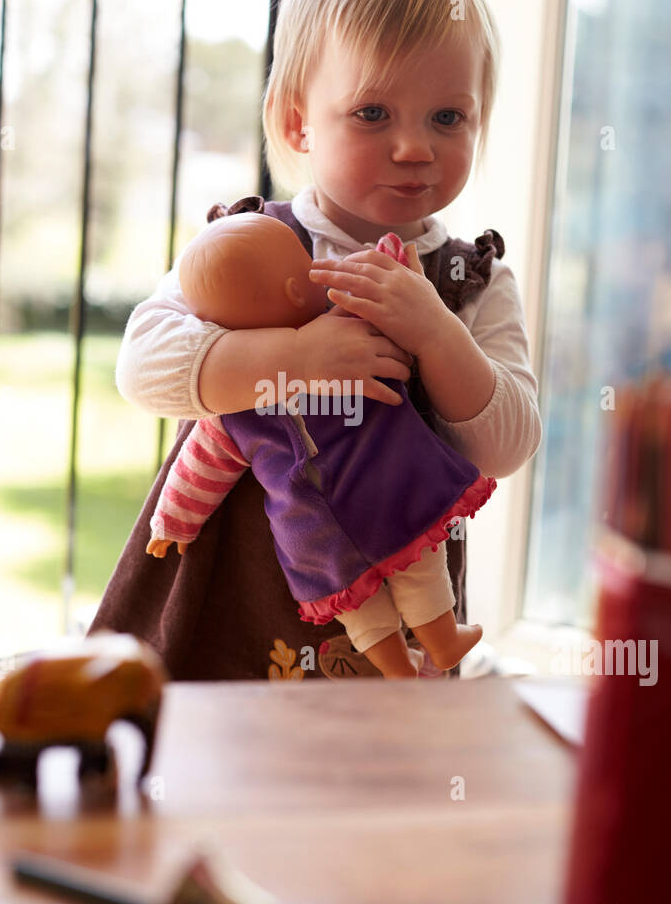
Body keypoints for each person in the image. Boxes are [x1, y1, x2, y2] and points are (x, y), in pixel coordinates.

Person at [88, 0, 542, 681]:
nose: (413, 147)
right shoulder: (247, 245)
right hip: (235, 593)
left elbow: (508, 443)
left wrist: (435, 329)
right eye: (372, 112)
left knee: (379, 783)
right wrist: (290, 362)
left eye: (448, 118)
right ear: (298, 124)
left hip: (401, 615)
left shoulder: (471, 280)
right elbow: (143, 365)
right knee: (222, 773)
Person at [145, 213, 495, 677]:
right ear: (297, 288)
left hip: (312, 533)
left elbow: (198, 470)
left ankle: (398, 670)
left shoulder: (234, 408)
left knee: (359, 607)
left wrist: (171, 523)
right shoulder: (351, 320)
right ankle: (443, 640)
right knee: (419, 565)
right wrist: (390, 254)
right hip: (389, 491)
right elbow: (391, 268)